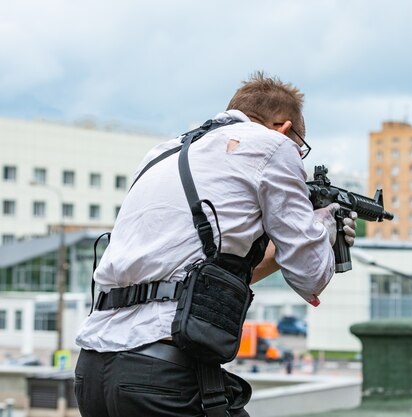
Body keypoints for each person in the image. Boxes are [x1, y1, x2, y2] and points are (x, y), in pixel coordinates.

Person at [73, 72, 357, 417]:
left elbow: (200, 281)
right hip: (165, 375)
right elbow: (311, 276)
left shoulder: (163, 152)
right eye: (301, 145)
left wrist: (284, 245)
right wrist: (321, 231)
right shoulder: (274, 146)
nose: (299, 156)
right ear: (283, 128)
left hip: (94, 375)